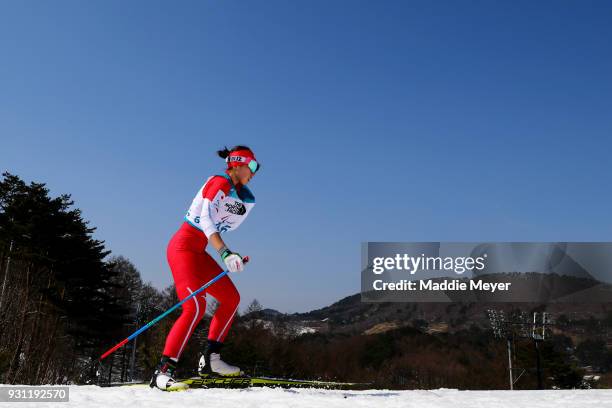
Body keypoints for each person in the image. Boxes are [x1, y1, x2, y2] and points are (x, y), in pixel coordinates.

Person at [150, 145, 260, 391]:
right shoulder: (219, 182)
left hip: (198, 252)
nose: (254, 172)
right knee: (195, 306)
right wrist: (224, 252)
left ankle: (212, 360)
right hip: (182, 248)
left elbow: (219, 225)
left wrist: (232, 256)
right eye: (252, 166)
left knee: (231, 298)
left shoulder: (235, 193)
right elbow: (206, 218)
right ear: (238, 163)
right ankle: (163, 371)